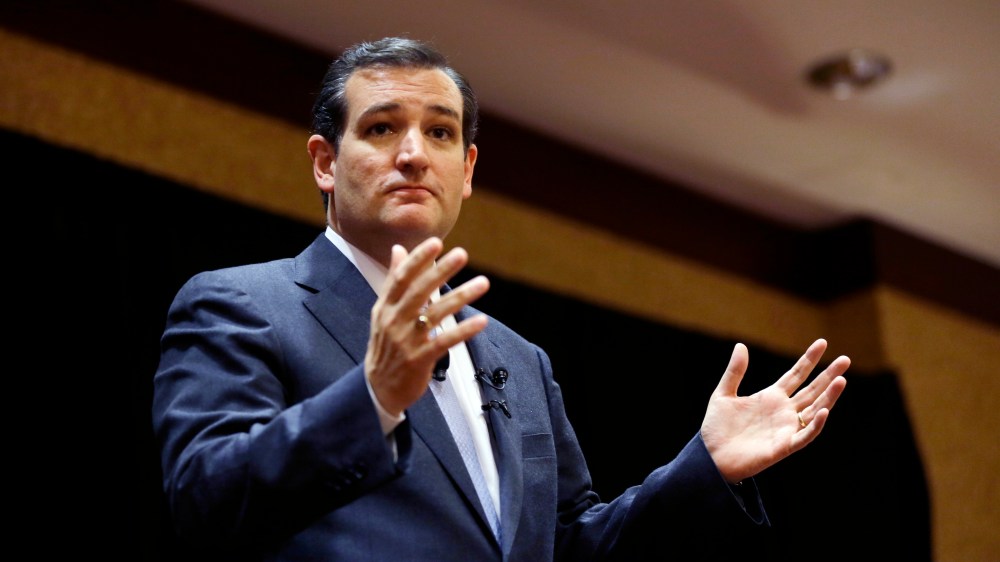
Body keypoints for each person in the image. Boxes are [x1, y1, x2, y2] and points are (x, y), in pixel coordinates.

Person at [152, 36, 850, 561]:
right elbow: (206, 502)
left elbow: (573, 547)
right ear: (325, 162)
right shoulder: (241, 303)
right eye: (381, 127)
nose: (414, 154)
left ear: (469, 170)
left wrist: (704, 467)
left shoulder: (517, 358)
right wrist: (374, 398)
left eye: (441, 132)